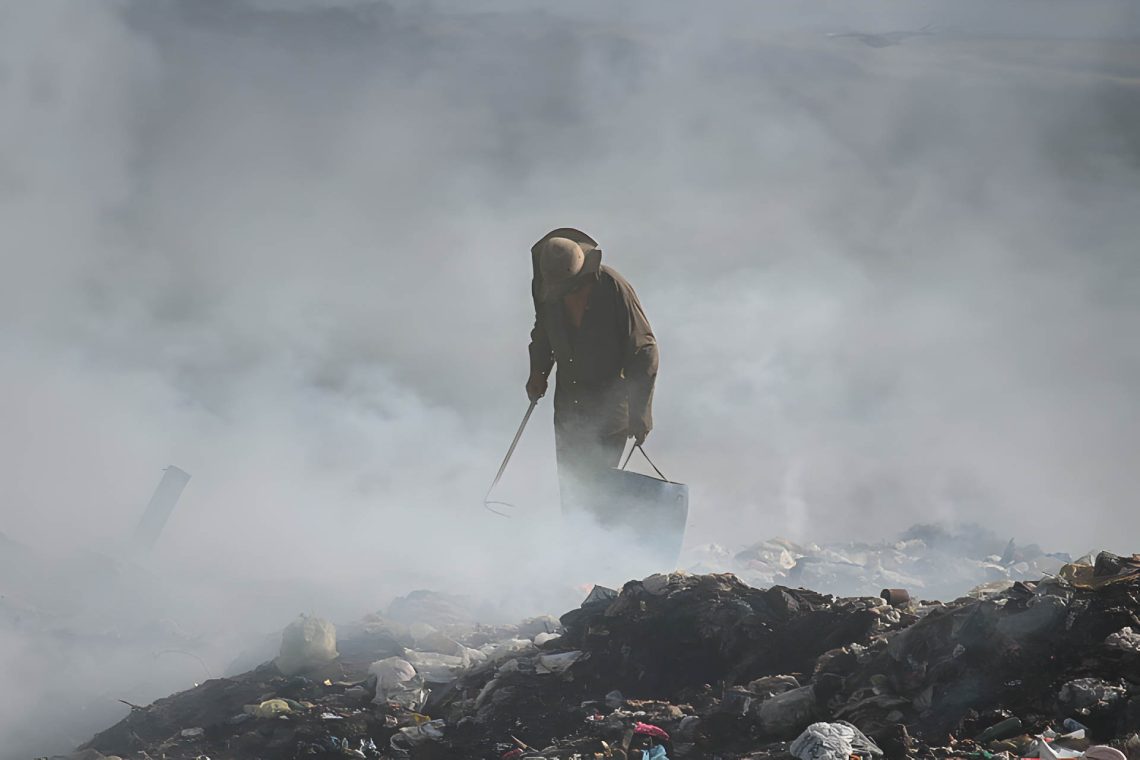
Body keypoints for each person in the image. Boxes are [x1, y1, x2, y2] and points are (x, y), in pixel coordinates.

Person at [526, 227, 659, 518]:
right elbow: (543, 332)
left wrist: (640, 414)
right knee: (572, 488)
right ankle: (577, 554)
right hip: (568, 409)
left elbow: (645, 351)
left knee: (600, 490)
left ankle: (605, 556)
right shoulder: (547, 286)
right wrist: (538, 371)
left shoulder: (613, 288)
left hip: (610, 412)